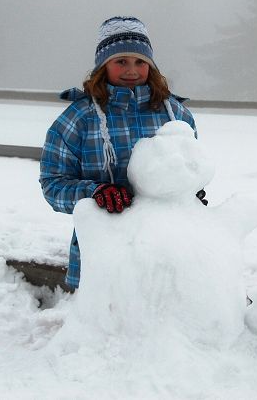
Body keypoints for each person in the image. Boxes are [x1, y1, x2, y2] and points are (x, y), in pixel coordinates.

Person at [39, 16, 201, 290]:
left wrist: (191, 192)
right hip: (104, 252)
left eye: (140, 62)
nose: (132, 71)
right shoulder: (78, 118)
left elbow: (193, 168)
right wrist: (96, 192)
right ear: (103, 65)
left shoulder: (176, 114)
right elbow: (52, 185)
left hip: (169, 251)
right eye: (121, 61)